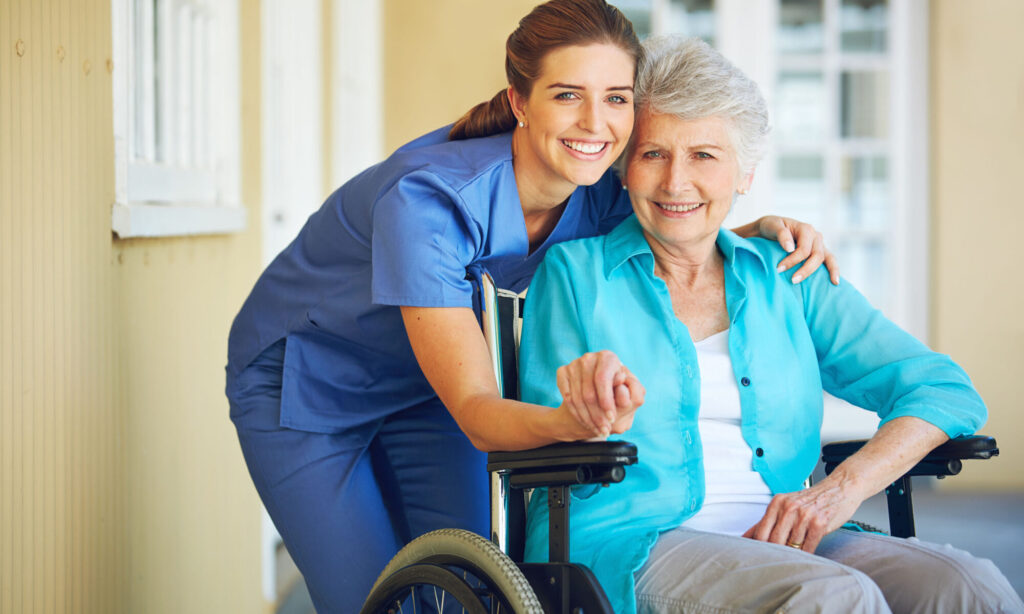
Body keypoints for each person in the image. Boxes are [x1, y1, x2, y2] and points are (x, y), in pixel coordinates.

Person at [226, 2, 836, 611]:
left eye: (616, 98)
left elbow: (680, 225)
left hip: (432, 385)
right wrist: (570, 425)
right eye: (568, 95)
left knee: (474, 587)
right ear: (520, 101)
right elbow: (477, 411)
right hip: (309, 385)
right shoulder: (428, 202)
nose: (595, 123)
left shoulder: (599, 193)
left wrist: (759, 231)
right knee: (370, 597)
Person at [519, 35, 1023, 614]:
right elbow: (548, 433)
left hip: (787, 536)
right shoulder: (576, 274)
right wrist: (591, 413)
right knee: (834, 595)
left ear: (746, 174)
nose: (676, 182)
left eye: (704, 156)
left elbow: (943, 389)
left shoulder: (789, 275)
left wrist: (842, 489)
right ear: (625, 169)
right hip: (629, 541)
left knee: (967, 585)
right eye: (653, 154)